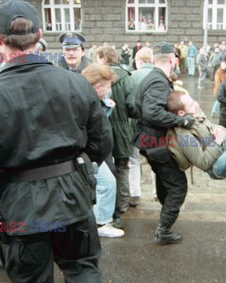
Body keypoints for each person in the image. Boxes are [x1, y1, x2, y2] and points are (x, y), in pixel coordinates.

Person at [0, 1, 112, 281]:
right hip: (71, 199)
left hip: (22, 207)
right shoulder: (76, 83)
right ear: (38, 36)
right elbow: (101, 142)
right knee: (83, 270)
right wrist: (79, 171)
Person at [134, 41, 194, 244]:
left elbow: (139, 108)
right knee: (178, 187)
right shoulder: (159, 81)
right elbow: (152, 112)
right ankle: (164, 230)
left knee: (163, 178)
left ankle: (164, 216)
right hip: (157, 144)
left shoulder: (152, 77)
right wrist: (182, 120)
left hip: (148, 141)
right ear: (172, 59)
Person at [82, 63, 125, 238]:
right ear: (97, 86)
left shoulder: (92, 100)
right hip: (89, 154)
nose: (109, 90)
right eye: (107, 87)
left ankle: (97, 220)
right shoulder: (86, 103)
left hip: (96, 154)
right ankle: (101, 223)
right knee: (107, 183)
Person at [97, 46, 136, 223]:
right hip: (122, 129)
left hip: (102, 128)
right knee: (122, 167)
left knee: (103, 168)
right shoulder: (127, 78)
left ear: (103, 59)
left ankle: (107, 208)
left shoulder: (97, 77)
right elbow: (133, 107)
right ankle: (122, 203)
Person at [166, 91, 226, 179]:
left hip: (222, 145)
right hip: (214, 166)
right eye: (191, 105)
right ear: (181, 113)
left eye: (193, 101)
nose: (195, 105)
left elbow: (201, 115)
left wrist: (216, 130)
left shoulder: (192, 114)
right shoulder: (184, 136)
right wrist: (217, 142)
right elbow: (203, 163)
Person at [129, 47, 154, 207]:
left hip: (135, 125)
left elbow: (129, 101)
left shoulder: (132, 76)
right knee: (156, 160)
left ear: (139, 61)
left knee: (134, 160)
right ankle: (157, 192)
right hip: (154, 126)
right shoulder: (160, 75)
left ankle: (135, 194)